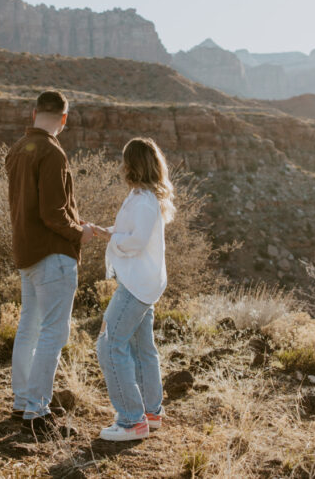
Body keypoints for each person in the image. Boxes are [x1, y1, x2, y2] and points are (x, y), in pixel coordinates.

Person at [5, 90, 94, 440]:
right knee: (54, 332)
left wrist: (80, 224)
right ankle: (37, 412)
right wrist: (79, 233)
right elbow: (53, 213)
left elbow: (34, 207)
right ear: (64, 118)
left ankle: (23, 401)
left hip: (26, 252)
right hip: (53, 254)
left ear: (34, 113)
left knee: (29, 327)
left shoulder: (17, 150)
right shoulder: (52, 152)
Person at [89, 137, 173, 442]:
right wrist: (106, 232)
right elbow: (133, 233)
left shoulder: (144, 200)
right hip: (144, 282)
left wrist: (112, 240)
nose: (121, 165)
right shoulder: (144, 196)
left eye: (125, 160)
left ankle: (130, 421)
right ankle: (150, 412)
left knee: (109, 345)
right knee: (141, 348)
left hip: (136, 285)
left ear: (133, 165)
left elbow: (135, 242)